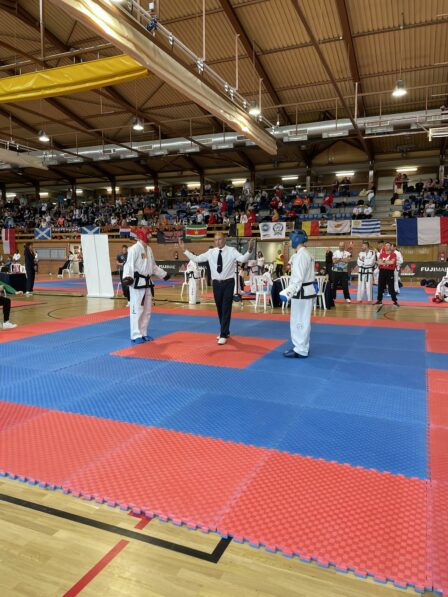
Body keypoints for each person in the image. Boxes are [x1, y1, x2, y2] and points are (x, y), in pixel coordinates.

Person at [178, 232, 254, 345]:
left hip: (228, 283)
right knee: (219, 308)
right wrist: (184, 250)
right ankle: (225, 330)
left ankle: (223, 334)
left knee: (226, 307)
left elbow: (243, 259)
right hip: (216, 284)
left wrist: (249, 250)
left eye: (220, 239)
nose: (218, 242)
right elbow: (196, 259)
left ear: (224, 239)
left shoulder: (231, 250)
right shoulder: (211, 252)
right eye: (216, 240)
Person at [122, 227, 170, 343]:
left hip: (147, 282)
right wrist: (127, 277)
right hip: (137, 282)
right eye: (148, 234)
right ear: (142, 235)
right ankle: (135, 335)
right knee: (137, 309)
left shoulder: (149, 249)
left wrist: (163, 274)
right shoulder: (133, 249)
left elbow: (153, 266)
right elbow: (128, 264)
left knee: (147, 310)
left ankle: (143, 333)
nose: (150, 236)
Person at [279, 230, 316, 358]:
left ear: (296, 239)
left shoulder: (301, 255)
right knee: (303, 320)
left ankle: (300, 349)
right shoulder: (305, 254)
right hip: (305, 291)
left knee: (298, 321)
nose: (289, 242)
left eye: (291, 239)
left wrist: (289, 291)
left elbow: (298, 278)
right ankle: (302, 347)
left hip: (301, 292)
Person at [375, 242, 399, 306]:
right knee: (380, 286)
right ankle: (379, 300)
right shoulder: (381, 254)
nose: (387, 246)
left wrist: (383, 262)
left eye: (388, 245)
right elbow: (379, 262)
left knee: (391, 287)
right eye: (386, 245)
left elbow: (392, 262)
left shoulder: (393, 254)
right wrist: (386, 262)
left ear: (391, 247)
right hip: (382, 271)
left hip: (390, 271)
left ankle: (394, 301)